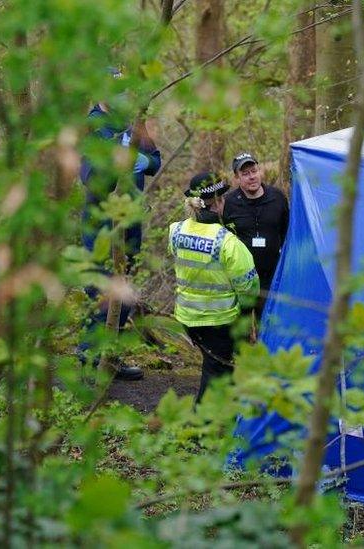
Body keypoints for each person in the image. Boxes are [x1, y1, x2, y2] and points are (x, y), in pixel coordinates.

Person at [78, 67, 161, 381]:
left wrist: (143, 161)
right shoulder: (92, 127)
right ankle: (89, 361)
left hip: (131, 223)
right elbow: (91, 179)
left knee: (125, 292)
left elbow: (156, 160)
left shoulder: (132, 122)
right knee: (99, 293)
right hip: (101, 226)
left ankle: (109, 357)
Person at [170, 172, 260, 402]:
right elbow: (249, 289)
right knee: (217, 373)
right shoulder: (227, 242)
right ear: (219, 202)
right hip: (218, 322)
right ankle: (203, 427)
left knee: (214, 367)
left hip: (187, 318)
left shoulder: (176, 231)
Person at [222, 152, 289, 318]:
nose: (251, 177)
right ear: (237, 178)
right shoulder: (229, 202)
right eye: (245, 174)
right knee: (241, 324)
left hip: (271, 274)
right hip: (241, 277)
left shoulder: (278, 197)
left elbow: (287, 233)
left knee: (266, 321)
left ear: (260, 172)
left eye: (254, 171)